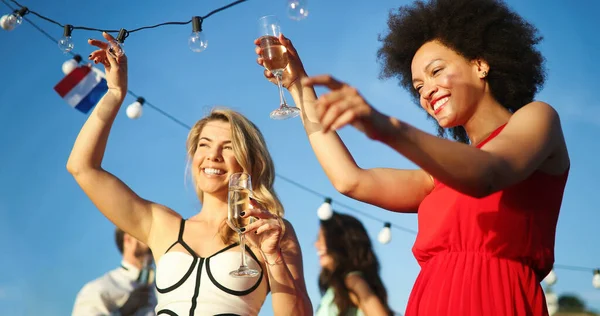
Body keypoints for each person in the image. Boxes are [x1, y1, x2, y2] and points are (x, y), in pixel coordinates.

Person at [253, 0, 570, 314]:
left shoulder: (538, 117)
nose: (427, 91)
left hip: (497, 301)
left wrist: (385, 127)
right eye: (418, 87)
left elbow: (491, 172)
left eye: (436, 71)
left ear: (480, 64)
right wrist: (298, 87)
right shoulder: (440, 175)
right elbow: (350, 180)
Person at [67, 32, 312, 316]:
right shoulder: (160, 225)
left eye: (228, 147)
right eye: (204, 145)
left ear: (250, 163)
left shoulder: (272, 232)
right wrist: (115, 93)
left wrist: (273, 258)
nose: (213, 155)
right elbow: (81, 167)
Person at [314, 212, 393, 316]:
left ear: (340, 242)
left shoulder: (353, 280)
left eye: (321, 238)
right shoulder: (337, 288)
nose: (316, 244)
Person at [72, 227, 156, 316]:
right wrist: (123, 311)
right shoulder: (97, 290)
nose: (153, 241)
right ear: (128, 240)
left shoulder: (162, 289)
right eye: (145, 235)